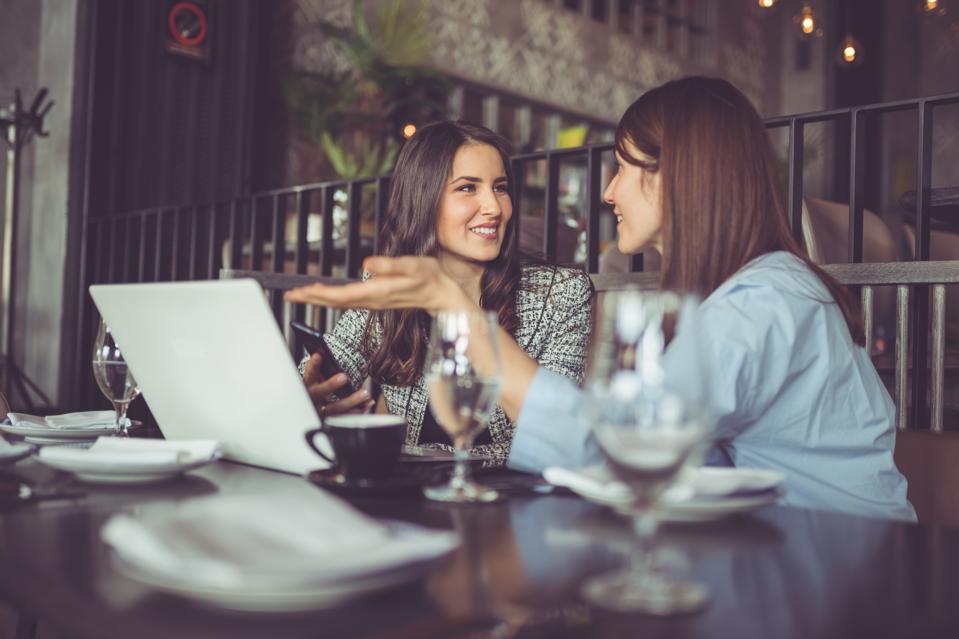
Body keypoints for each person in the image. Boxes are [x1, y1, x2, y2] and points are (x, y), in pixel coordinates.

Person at [288, 77, 915, 521]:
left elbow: (611, 450)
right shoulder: (746, 295)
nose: (609, 191)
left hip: (841, 564)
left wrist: (454, 310)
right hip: (788, 547)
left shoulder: (765, 302)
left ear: (678, 176)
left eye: (621, 167)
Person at [300, 120, 592, 464]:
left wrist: (415, 454)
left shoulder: (561, 294)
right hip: (405, 501)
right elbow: (327, 363)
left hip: (509, 500)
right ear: (424, 201)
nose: (495, 208)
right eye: (468, 188)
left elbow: (555, 437)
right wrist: (311, 394)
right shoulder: (396, 287)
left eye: (500, 188)